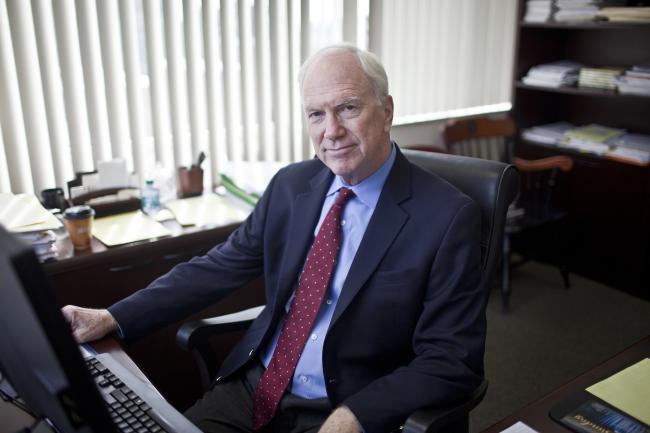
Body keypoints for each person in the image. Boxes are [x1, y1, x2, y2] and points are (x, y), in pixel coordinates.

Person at [63, 44, 485, 433]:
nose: (331, 130)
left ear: (387, 110)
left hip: (344, 407)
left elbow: (452, 359)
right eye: (315, 114)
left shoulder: (447, 218)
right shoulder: (291, 185)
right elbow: (218, 267)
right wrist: (113, 317)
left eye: (348, 108)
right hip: (256, 387)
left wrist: (359, 413)